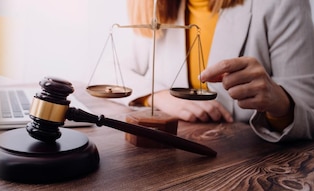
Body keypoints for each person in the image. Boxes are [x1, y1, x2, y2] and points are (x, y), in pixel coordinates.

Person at [116, 0, 314, 142]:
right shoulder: (159, 6)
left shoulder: (283, 4)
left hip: (248, 157)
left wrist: (280, 105)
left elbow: (309, 114)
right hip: (175, 147)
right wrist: (157, 96)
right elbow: (109, 69)